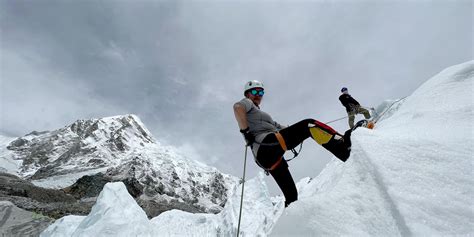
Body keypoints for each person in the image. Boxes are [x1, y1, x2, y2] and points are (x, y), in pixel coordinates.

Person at [233, 80, 353, 207]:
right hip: (266, 145)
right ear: (247, 94)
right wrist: (246, 132)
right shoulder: (248, 103)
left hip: (268, 157)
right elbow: (237, 108)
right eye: (254, 91)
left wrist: (295, 131)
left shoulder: (260, 116)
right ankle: (344, 149)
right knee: (308, 124)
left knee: (291, 196)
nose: (258, 94)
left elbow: (280, 127)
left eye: (261, 92)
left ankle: (289, 223)